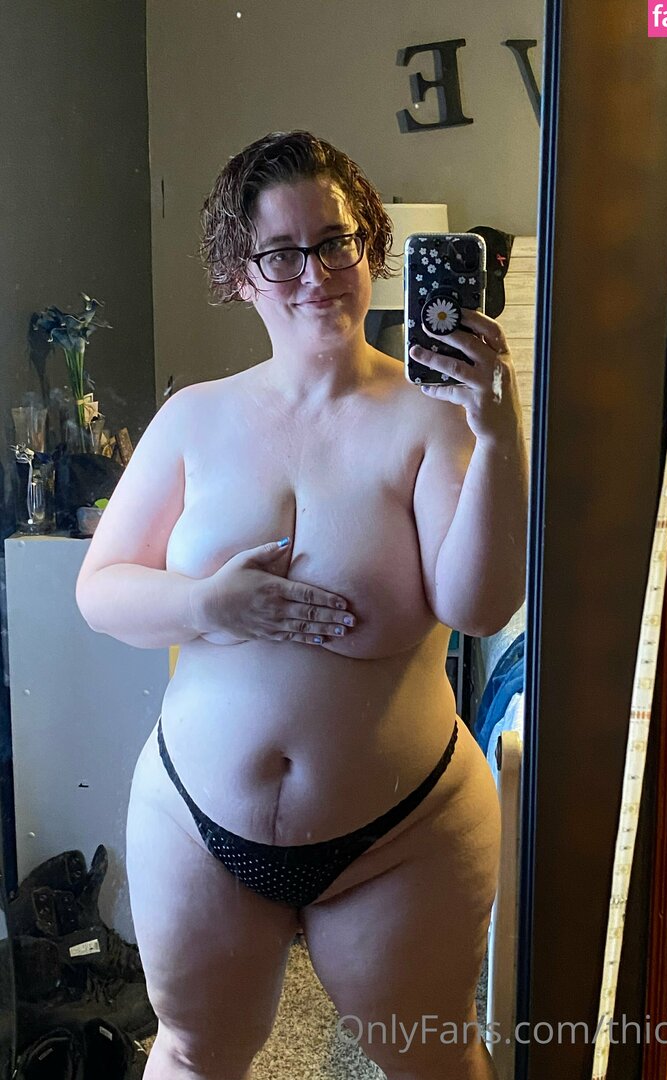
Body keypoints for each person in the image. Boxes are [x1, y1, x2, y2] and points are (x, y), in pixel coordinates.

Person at [75, 130, 529, 1080]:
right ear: (240, 274)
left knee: (434, 1061)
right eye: (280, 252)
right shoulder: (194, 417)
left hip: (404, 833)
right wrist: (210, 605)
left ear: (371, 244)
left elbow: (479, 606)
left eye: (334, 241)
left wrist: (498, 439)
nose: (314, 274)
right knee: (193, 1054)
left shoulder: (434, 416)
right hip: (195, 819)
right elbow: (101, 590)